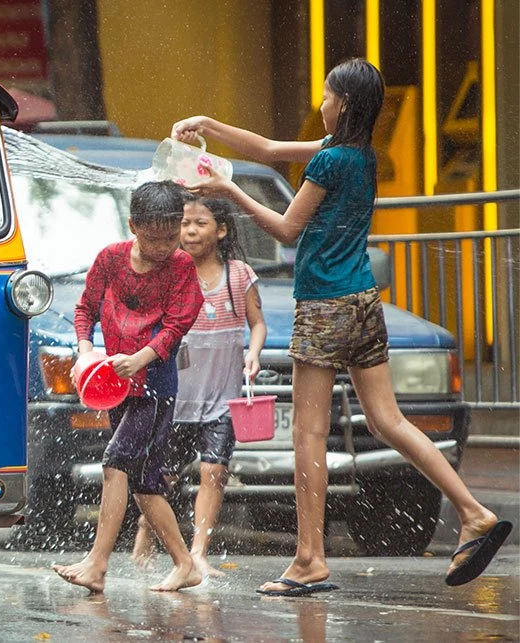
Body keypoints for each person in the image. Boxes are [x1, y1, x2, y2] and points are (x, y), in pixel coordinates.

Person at [177, 57, 511, 595]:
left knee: (307, 433)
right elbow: (268, 149)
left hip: (325, 305)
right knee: (387, 420)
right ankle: (474, 512)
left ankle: (309, 559)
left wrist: (228, 191)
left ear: (345, 104)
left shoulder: (331, 161)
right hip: (362, 301)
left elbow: (287, 230)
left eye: (327, 97)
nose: (322, 104)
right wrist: (209, 126)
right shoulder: (356, 154)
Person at [52, 180, 205, 594]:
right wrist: (85, 350)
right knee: (144, 482)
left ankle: (97, 564)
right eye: (153, 239)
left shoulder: (181, 267)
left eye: (171, 238)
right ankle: (185, 564)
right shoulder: (111, 259)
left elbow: (176, 326)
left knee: (115, 462)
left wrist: (140, 359)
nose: (163, 248)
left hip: (154, 387)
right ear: (133, 225)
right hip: (117, 386)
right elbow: (85, 308)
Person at [131, 195, 267, 578]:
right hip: (177, 399)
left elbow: (257, 323)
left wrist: (254, 353)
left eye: (200, 223)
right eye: (184, 223)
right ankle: (147, 526)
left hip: (223, 398)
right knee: (165, 476)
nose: (190, 231)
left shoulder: (238, 275)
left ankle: (199, 552)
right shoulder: (168, 272)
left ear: (221, 230)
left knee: (214, 471)